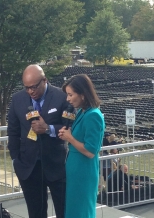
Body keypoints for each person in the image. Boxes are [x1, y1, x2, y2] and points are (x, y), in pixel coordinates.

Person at [7, 65, 69, 218]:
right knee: (35, 213)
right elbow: (13, 132)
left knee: (64, 211)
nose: (31, 91)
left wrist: (48, 129)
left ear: (44, 80)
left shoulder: (62, 97)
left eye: (34, 87)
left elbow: (70, 127)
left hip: (56, 165)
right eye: (27, 87)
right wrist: (15, 159)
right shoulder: (17, 99)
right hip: (28, 167)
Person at [58, 74, 105, 218]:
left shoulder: (93, 115)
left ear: (83, 94)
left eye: (71, 95)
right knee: (74, 211)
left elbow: (91, 151)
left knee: (81, 212)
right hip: (75, 171)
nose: (68, 99)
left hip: (84, 172)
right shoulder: (82, 113)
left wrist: (70, 138)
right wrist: (68, 134)